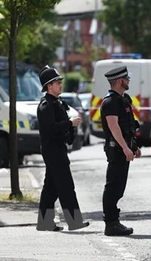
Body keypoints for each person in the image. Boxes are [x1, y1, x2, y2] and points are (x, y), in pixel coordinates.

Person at [36, 65, 89, 232]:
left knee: (51, 188)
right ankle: (74, 221)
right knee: (65, 185)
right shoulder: (46, 105)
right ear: (48, 86)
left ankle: (44, 222)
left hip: (57, 148)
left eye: (60, 81)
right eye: (56, 82)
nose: (60, 84)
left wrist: (71, 126)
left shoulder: (57, 103)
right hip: (52, 149)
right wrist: (70, 123)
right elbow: (51, 127)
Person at [101, 66, 142, 236]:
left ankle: (113, 222)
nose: (128, 81)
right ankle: (111, 223)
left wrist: (134, 146)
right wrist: (125, 148)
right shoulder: (110, 102)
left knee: (119, 187)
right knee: (113, 186)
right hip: (116, 149)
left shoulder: (123, 99)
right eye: (126, 79)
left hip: (124, 149)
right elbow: (113, 126)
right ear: (119, 81)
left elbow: (128, 127)